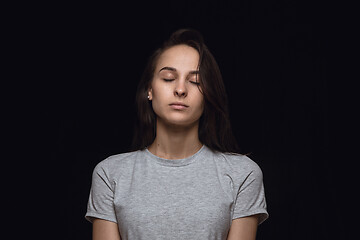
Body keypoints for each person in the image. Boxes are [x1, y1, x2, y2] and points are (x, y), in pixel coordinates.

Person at [85, 29, 268, 240]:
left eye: (195, 81)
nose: (181, 89)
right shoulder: (110, 174)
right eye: (169, 78)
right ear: (149, 90)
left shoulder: (242, 174)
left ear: (208, 94)